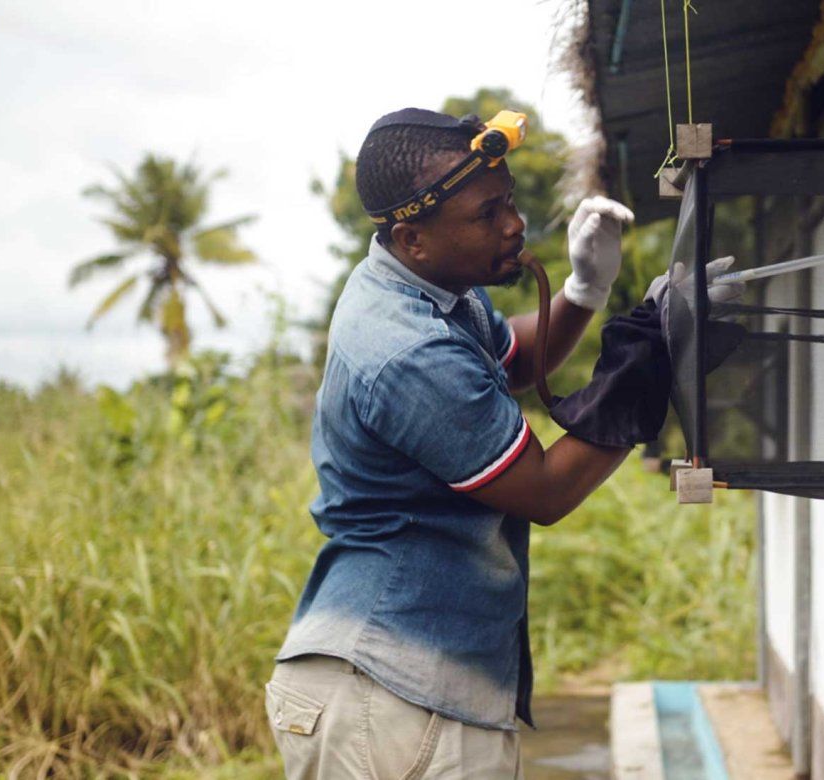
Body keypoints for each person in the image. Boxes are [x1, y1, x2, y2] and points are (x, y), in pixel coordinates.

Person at [262, 108, 740, 779]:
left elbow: (506, 359)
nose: (515, 224)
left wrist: (584, 291)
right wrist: (652, 350)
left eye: (509, 200)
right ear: (414, 236)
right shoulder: (406, 351)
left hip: (394, 689)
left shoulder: (426, 291)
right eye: (488, 214)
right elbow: (544, 489)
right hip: (391, 695)